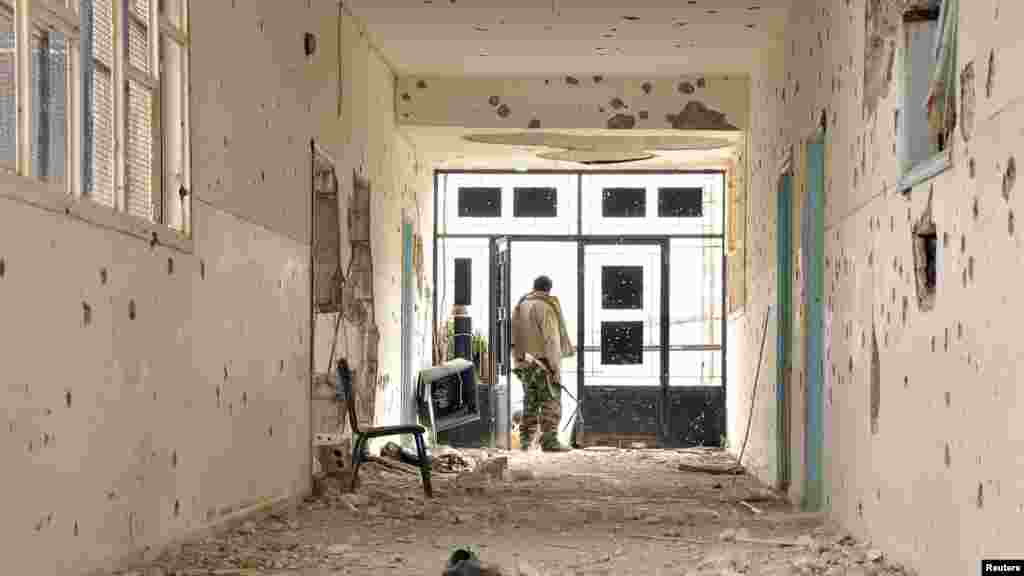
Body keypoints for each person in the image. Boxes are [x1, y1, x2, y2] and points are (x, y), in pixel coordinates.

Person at [510, 275, 575, 452]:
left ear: (534, 287)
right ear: (549, 289)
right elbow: (551, 340)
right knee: (551, 402)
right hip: (543, 364)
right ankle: (549, 441)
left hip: (524, 363)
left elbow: (513, 337)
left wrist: (518, 361)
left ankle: (525, 442)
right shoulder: (546, 307)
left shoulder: (521, 305)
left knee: (529, 402)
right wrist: (554, 367)